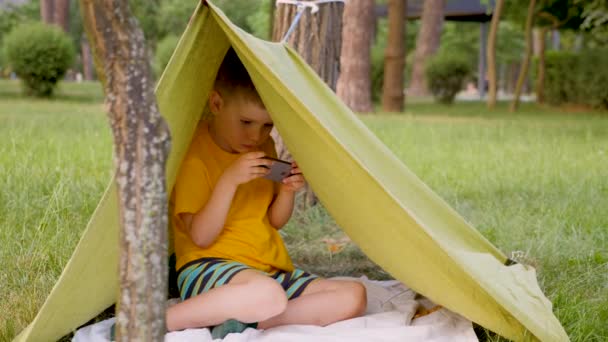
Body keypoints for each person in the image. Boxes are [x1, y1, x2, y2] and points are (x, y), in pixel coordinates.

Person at [166, 48, 367, 338]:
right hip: (209, 267)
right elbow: (200, 236)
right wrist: (229, 180)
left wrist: (287, 192)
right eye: (246, 122)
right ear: (216, 103)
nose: (255, 136)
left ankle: (246, 322)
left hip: (267, 270)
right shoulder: (194, 153)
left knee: (353, 296)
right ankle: (160, 320)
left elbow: (274, 220)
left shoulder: (265, 148)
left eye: (267, 125)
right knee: (267, 295)